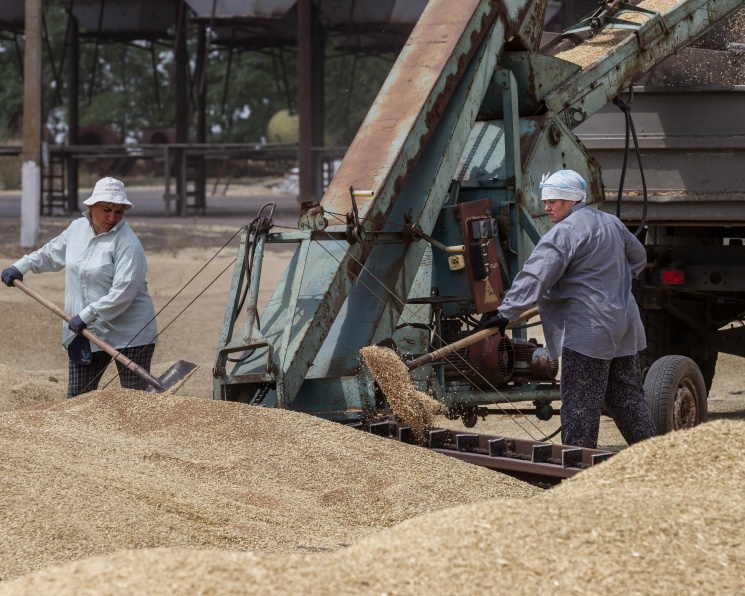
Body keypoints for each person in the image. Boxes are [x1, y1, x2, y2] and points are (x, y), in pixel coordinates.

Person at [480, 170, 657, 449]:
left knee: (579, 404)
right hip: (625, 325)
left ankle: (575, 471)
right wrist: (612, 283)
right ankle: (658, 458)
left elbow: (537, 274)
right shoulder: (610, 222)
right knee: (627, 397)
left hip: (589, 330)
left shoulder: (566, 232)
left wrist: (506, 313)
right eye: (546, 200)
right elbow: (638, 258)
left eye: (554, 201)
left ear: (572, 201)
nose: (547, 207)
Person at [1, 177, 158, 398]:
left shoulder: (128, 244)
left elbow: (124, 292)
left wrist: (87, 314)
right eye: (106, 210)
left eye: (119, 212)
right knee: (77, 398)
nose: (112, 217)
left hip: (130, 333)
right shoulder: (77, 228)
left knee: (135, 401)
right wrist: (21, 266)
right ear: (90, 206)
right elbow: (51, 253)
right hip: (85, 330)